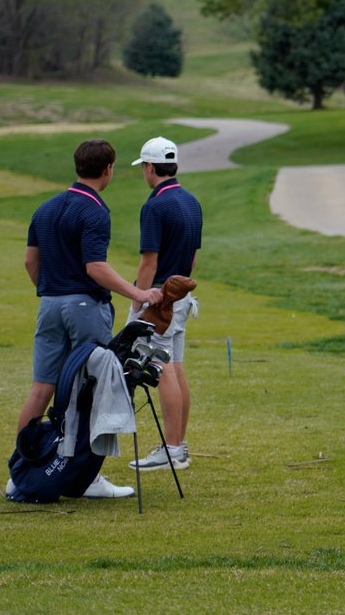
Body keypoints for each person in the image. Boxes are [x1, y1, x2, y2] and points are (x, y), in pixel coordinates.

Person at [20, 138, 162, 499]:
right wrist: (139, 294)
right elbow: (95, 267)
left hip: (49, 304)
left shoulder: (46, 208)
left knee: (42, 388)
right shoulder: (95, 211)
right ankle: (85, 477)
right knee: (91, 393)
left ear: (77, 165)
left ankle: (21, 468)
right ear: (109, 169)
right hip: (84, 308)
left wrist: (53, 290)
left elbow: (30, 263)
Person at [127, 137, 204, 472]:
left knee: (164, 368)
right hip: (182, 296)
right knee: (177, 366)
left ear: (148, 167)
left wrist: (137, 301)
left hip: (159, 300)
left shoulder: (155, 206)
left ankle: (171, 449)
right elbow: (193, 258)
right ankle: (179, 445)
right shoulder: (191, 201)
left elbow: (148, 263)